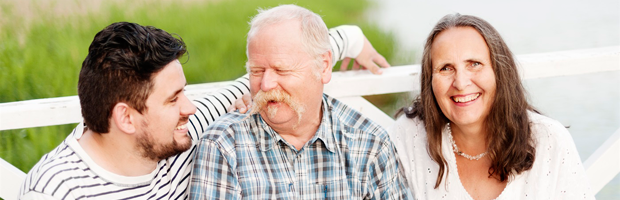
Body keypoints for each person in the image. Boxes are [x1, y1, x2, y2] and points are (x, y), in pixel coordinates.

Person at [19, 20, 387, 199]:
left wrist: (351, 39)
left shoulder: (185, 132)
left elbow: (274, 70)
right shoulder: (55, 190)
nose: (191, 108)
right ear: (126, 118)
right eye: (173, 99)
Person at [189, 4, 412, 199]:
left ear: (324, 66)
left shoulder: (370, 144)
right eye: (256, 71)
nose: (265, 85)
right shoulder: (223, 146)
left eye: (281, 70)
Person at [388, 14, 594, 199]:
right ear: (430, 81)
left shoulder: (550, 141)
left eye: (474, 64)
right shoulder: (408, 136)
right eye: (446, 68)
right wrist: (354, 43)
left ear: (499, 71)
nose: (460, 82)